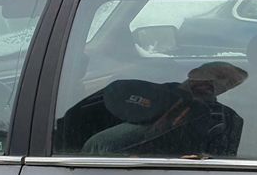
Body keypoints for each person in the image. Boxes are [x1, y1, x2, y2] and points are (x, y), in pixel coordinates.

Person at [81, 62, 247, 157]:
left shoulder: (227, 119)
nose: (221, 83)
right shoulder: (139, 93)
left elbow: (217, 162)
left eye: (230, 83)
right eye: (218, 74)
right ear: (194, 72)